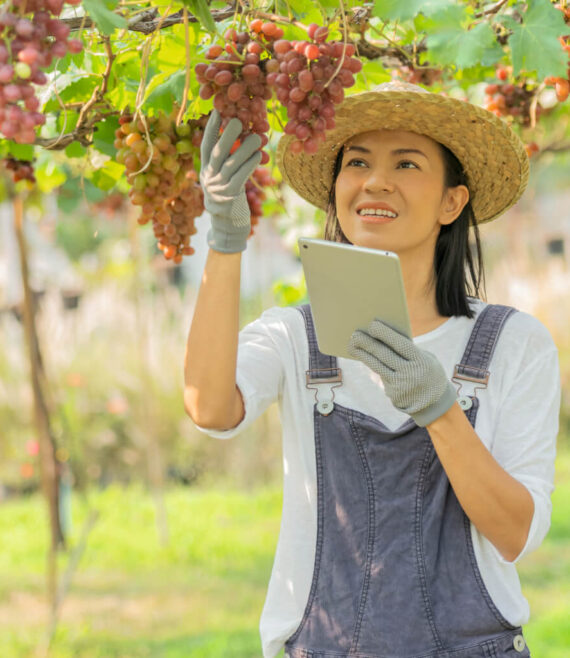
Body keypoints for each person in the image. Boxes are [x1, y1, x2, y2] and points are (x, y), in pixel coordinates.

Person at [184, 81, 560, 658]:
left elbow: (515, 535)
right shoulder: (294, 336)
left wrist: (442, 412)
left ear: (451, 203)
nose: (374, 181)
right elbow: (209, 407)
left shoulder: (514, 343)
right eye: (356, 162)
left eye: (406, 163)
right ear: (336, 192)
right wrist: (226, 241)